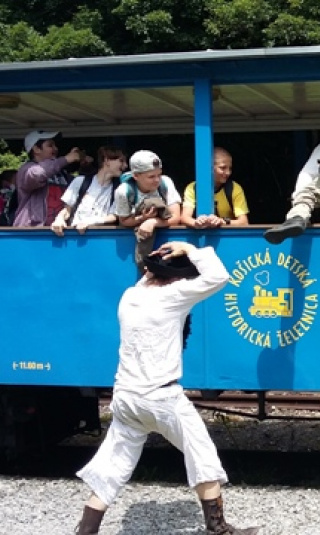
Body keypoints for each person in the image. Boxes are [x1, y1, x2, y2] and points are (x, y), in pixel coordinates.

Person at [74, 241, 259, 535]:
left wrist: (157, 260)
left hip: (125, 397)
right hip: (161, 396)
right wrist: (189, 248)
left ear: (148, 272)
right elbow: (219, 276)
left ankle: (86, 530)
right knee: (201, 453)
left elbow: (150, 275)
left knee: (114, 463)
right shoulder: (174, 296)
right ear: (176, 277)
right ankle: (218, 528)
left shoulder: (129, 296)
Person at [114, 150, 182, 270]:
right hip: (137, 245)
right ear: (136, 176)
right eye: (151, 176)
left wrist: (153, 222)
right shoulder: (124, 191)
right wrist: (143, 218)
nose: (157, 180)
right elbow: (124, 221)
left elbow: (176, 217)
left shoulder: (166, 183)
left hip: (166, 245)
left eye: (159, 175)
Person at [51, 146, 127, 236]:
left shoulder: (119, 189)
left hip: (101, 238)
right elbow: (67, 210)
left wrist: (89, 222)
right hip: (75, 236)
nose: (125, 166)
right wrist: (59, 219)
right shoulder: (80, 181)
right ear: (107, 160)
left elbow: (113, 216)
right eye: (121, 161)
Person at [13, 130, 83, 227]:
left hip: (59, 229)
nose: (56, 148)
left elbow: (80, 187)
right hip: (32, 231)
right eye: (50, 145)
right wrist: (66, 159)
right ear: (36, 149)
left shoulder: (61, 173)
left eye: (55, 145)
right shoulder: (27, 169)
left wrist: (86, 167)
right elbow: (38, 174)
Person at [181, 147, 250, 228]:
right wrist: (196, 222)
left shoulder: (234, 188)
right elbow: (184, 218)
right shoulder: (193, 188)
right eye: (223, 168)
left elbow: (244, 222)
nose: (228, 173)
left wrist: (222, 221)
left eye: (230, 168)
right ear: (209, 168)